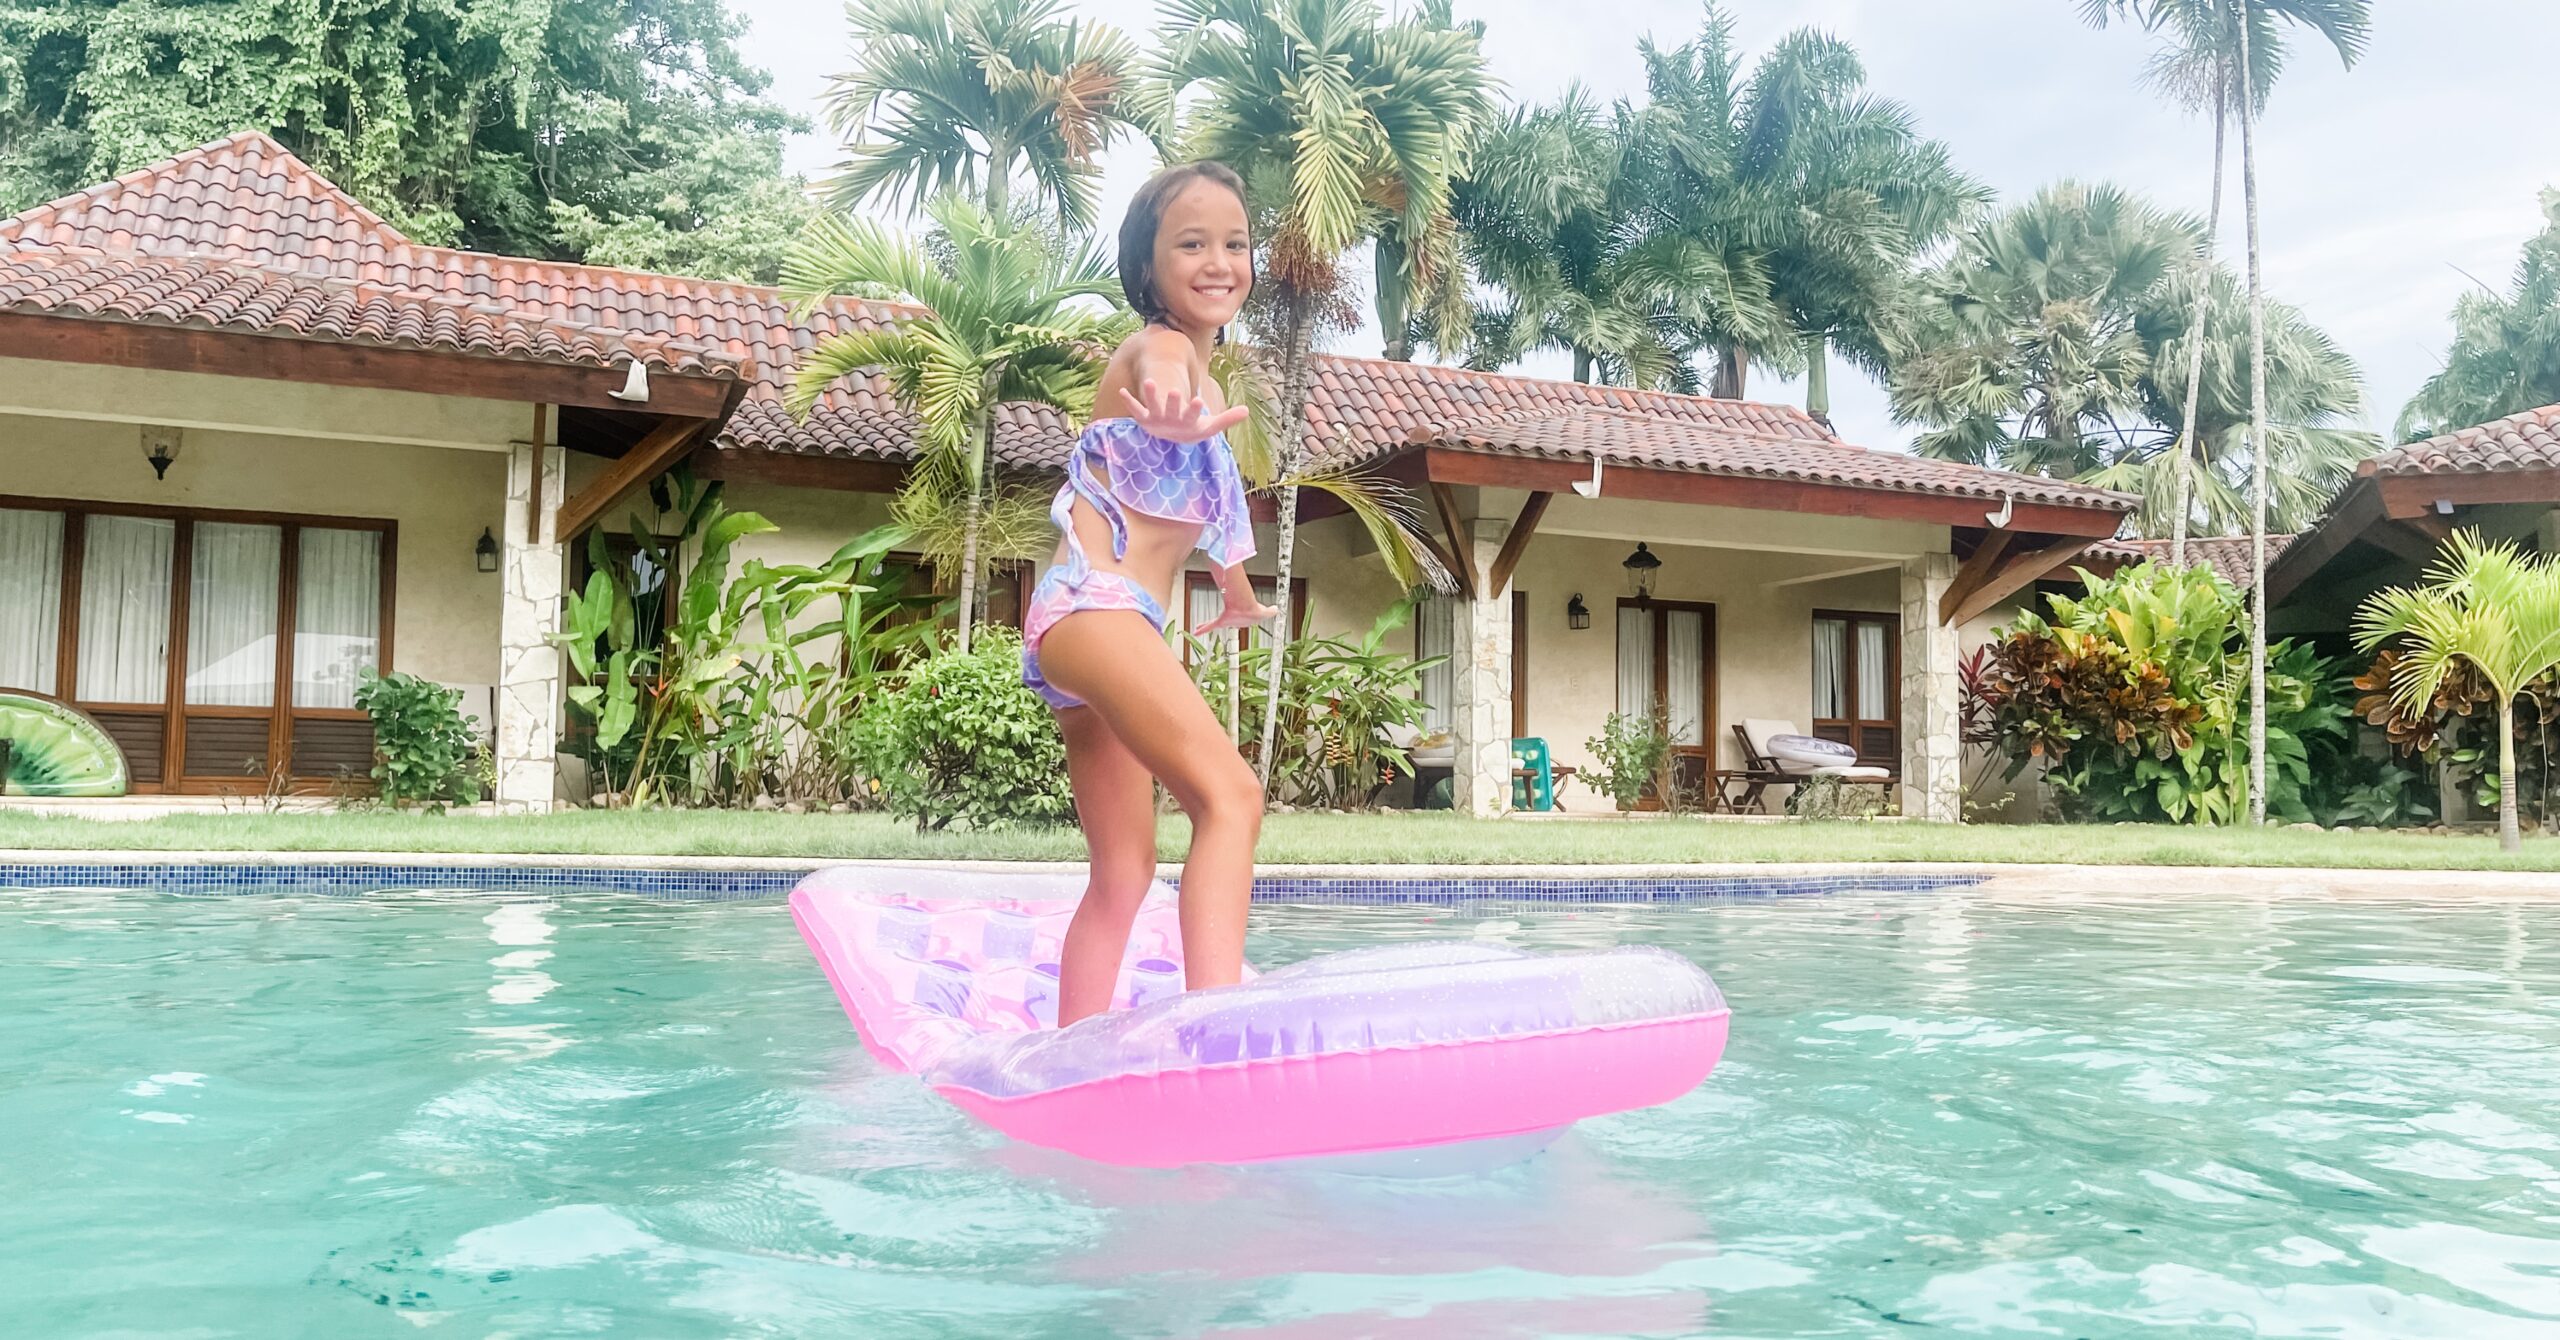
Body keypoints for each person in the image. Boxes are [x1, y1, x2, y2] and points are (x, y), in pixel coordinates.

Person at [1023, 160, 1276, 1027]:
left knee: (1124, 871)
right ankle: (1215, 1031)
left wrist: (1236, 595)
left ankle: (1070, 1054)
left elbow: (1209, 514)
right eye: (1192, 243)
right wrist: (1167, 400)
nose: (1219, 261)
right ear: (1148, 268)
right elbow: (1160, 370)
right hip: (1098, 608)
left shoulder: (1209, 391)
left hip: (1091, 621)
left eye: (1235, 243)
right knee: (1232, 798)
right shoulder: (1155, 353)